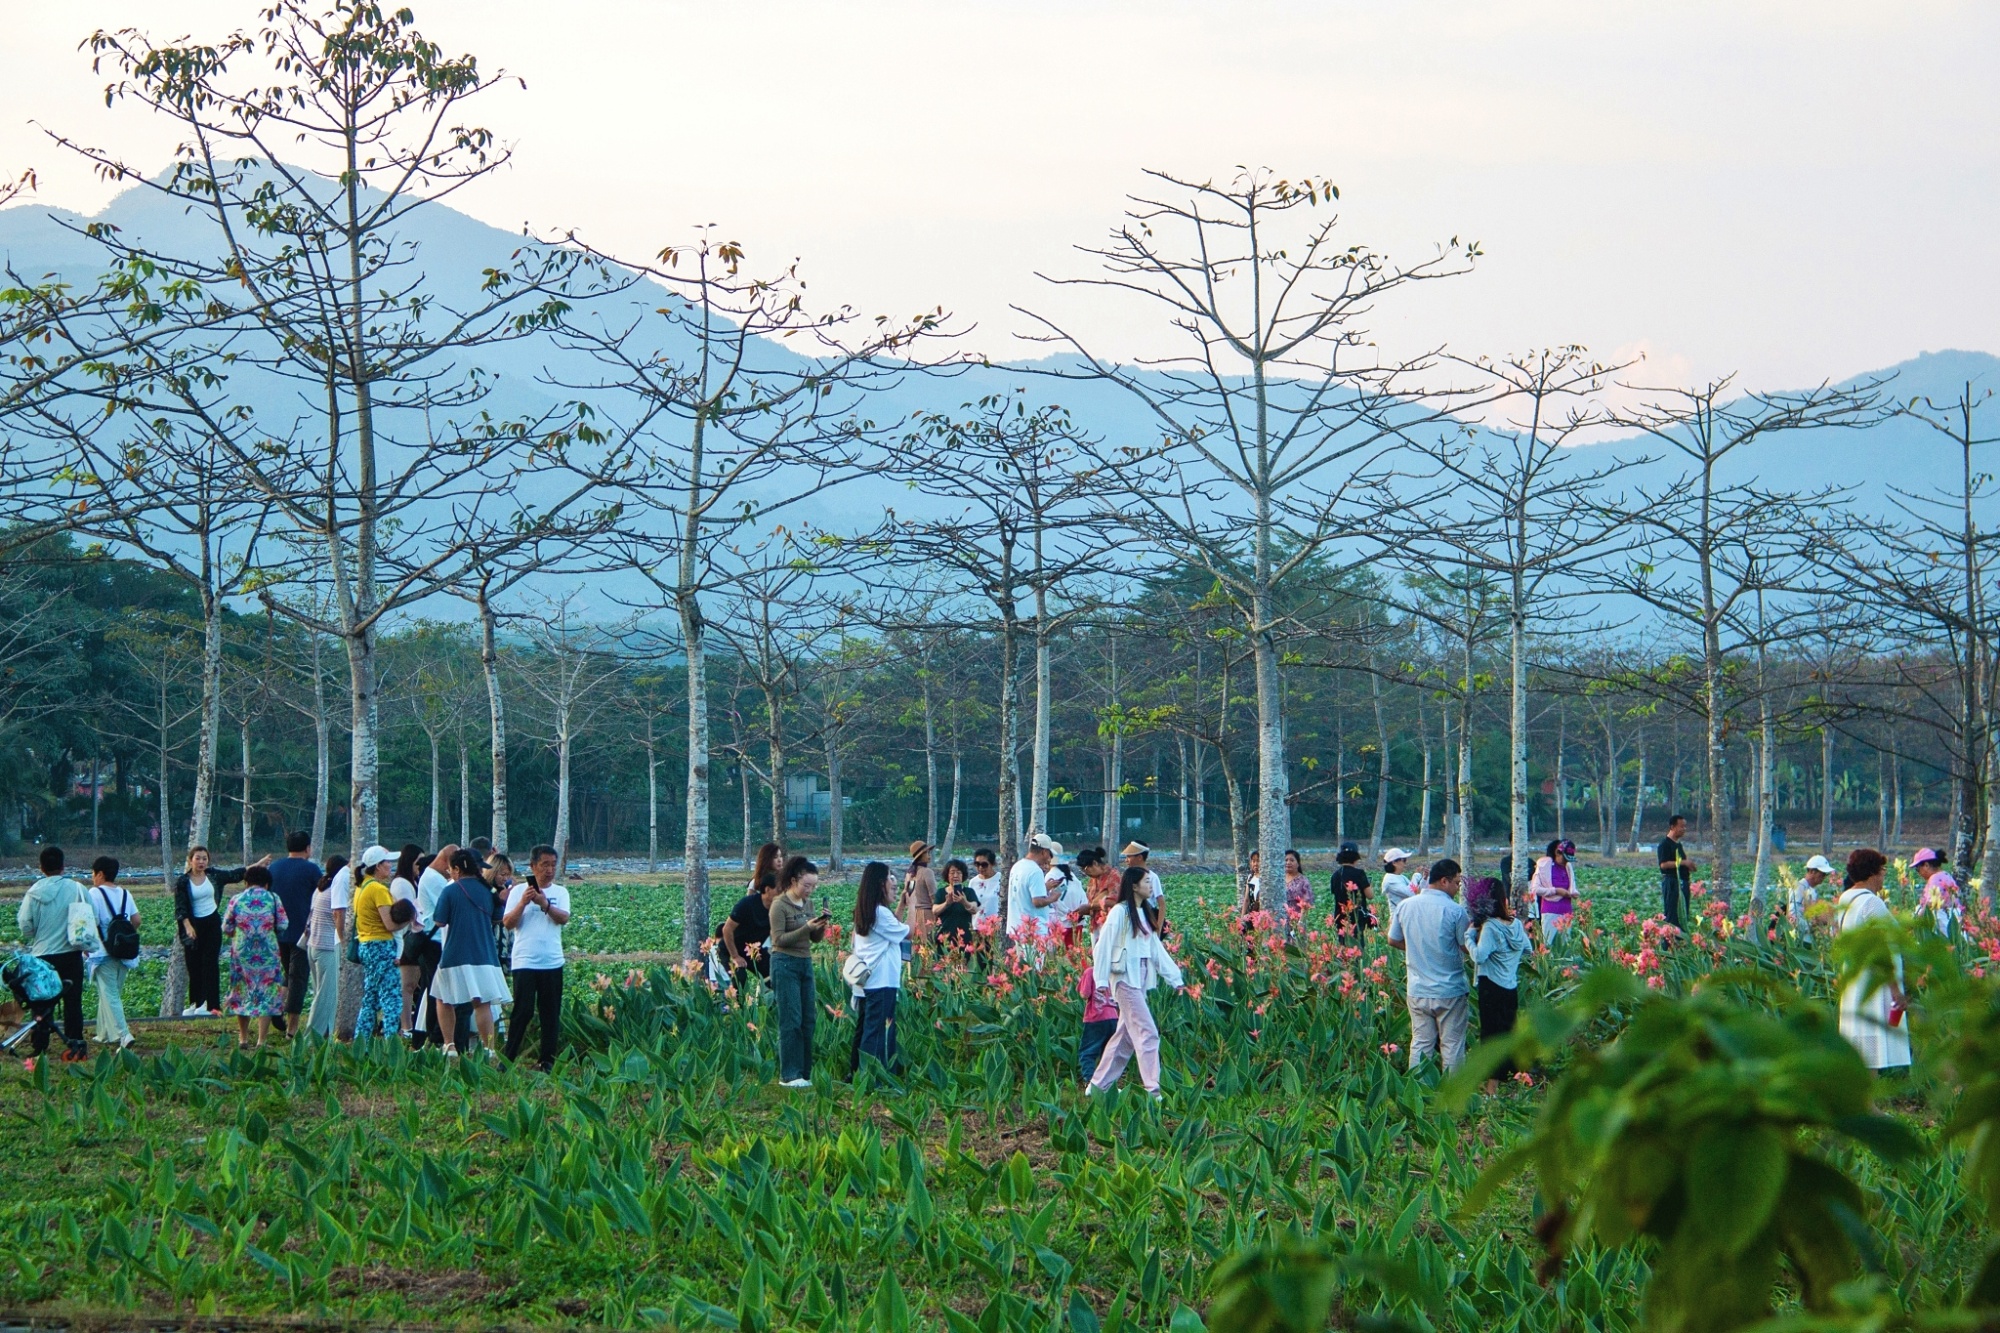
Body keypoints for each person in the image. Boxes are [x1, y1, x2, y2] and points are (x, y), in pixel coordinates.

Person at [1086, 865, 1186, 1098]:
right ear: (1134, 886)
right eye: (1147, 882)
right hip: (1124, 979)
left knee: (1126, 1036)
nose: (1151, 886)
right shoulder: (1120, 912)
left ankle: (1098, 1086)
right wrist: (1101, 981)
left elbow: (1155, 949)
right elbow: (1102, 947)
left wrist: (1175, 978)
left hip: (1139, 977)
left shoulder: (1143, 912)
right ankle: (1154, 1091)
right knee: (1148, 1032)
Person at [1388, 858, 1472, 1073]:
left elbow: (1393, 939)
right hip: (1450, 988)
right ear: (1444, 881)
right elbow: (1465, 946)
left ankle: (1418, 1092)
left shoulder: (1406, 905)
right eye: (1456, 883)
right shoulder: (1455, 911)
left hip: (1417, 988)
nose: (1457, 888)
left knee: (1421, 1043)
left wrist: (1417, 950)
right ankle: (1454, 1096)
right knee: (1452, 1044)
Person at [1835, 848, 1910, 1074]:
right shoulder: (1871, 903)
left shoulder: (1846, 898)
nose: (1884, 875)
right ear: (1872, 873)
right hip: (1873, 982)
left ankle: (1867, 1103)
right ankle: (1869, 1104)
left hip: (1855, 978)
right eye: (1882, 870)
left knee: (1862, 1040)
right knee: (1872, 1038)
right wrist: (1896, 990)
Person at [431, 848, 511, 1054]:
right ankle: (489, 1048)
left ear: (457, 869)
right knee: (482, 1003)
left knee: (443, 998)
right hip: (484, 953)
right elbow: (497, 917)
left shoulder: (450, 890)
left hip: (455, 954)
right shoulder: (487, 891)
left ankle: (449, 1045)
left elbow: (439, 921)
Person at [174, 846, 269, 1017]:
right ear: (190, 860)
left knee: (210, 964)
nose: (201, 861)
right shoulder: (183, 881)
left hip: (211, 923)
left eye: (204, 858)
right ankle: (195, 1002)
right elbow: (180, 907)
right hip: (193, 926)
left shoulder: (214, 876)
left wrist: (259, 865)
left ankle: (211, 1005)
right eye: (198, 858)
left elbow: (237, 874)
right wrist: (188, 927)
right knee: (193, 965)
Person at [502, 844, 572, 1072]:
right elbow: (508, 923)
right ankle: (508, 1059)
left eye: (553, 864)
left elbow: (563, 918)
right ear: (532, 866)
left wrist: (544, 904)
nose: (549, 870)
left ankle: (547, 1060)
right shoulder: (517, 892)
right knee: (522, 1011)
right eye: (544, 865)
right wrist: (523, 902)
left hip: (552, 960)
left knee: (550, 1012)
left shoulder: (560, 893)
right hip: (525, 960)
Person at [17, 846, 89, 1060]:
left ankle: (40, 1045)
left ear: (41, 868)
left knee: (41, 1003)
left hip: (42, 956)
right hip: (71, 954)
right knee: (73, 1002)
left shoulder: (33, 893)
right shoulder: (77, 889)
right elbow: (90, 914)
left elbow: (25, 926)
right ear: (63, 866)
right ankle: (74, 1042)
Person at [769, 855, 830, 1087]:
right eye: (807, 885)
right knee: (791, 1019)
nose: (810, 890)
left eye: (814, 886)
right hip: (784, 963)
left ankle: (804, 1073)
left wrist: (820, 926)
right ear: (794, 881)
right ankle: (789, 1074)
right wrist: (806, 927)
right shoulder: (779, 905)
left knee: (808, 1019)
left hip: (805, 962)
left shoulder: (809, 905)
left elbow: (814, 939)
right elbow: (779, 939)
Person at [1467, 876, 1529, 1087]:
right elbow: (1528, 950)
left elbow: (1479, 956)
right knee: (1508, 1032)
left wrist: (1469, 937)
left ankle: (1491, 1090)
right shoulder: (1517, 925)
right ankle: (1516, 1079)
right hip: (1510, 986)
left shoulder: (1491, 927)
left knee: (1491, 1035)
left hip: (1491, 987)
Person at [850, 860, 909, 1077]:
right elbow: (908, 932)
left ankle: (865, 1073)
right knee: (878, 1031)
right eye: (889, 877)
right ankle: (873, 1077)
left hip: (870, 981)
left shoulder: (868, 911)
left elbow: (894, 928)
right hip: (882, 980)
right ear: (879, 883)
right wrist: (913, 904)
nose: (893, 881)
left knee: (870, 1028)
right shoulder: (880, 913)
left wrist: (901, 905)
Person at [222, 864, 289, 1049]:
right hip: (268, 954)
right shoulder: (274, 899)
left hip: (241, 953)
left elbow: (226, 928)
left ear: (246, 882)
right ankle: (261, 1040)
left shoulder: (236, 899)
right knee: (266, 993)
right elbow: (283, 925)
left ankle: (243, 1039)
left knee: (241, 991)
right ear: (267, 883)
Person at [266, 831, 321, 1035]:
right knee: (298, 978)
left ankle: (277, 1007)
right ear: (307, 848)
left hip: (278, 931)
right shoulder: (311, 870)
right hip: (302, 932)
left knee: (286, 974)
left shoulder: (274, 868)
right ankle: (292, 1028)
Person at [86, 856, 139, 1049]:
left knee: (109, 995)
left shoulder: (94, 893)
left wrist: (86, 946)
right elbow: (137, 920)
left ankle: (124, 1034)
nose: (92, 878)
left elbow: (89, 920)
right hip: (125, 951)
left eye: (93, 874)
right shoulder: (125, 893)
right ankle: (104, 1033)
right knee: (110, 993)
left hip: (103, 951)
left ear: (100, 874)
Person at [349, 847, 400, 1041]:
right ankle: (391, 1042)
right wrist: (409, 918)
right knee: (391, 997)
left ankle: (361, 1041)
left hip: (366, 945)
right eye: (387, 862)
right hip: (381, 946)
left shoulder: (362, 887)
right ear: (378, 866)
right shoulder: (378, 889)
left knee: (370, 997)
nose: (390, 866)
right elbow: (389, 924)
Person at [304, 857, 345, 1039]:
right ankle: (312, 1037)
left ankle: (323, 1032)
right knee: (326, 997)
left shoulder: (320, 889)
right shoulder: (334, 892)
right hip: (327, 947)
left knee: (319, 993)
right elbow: (338, 915)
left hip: (313, 945)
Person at [2, 948, 66, 1062]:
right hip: (42, 991)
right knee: (41, 1020)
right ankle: (38, 1047)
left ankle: (40, 1049)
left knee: (42, 1022)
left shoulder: (26, 970)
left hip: (40, 996)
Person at [722, 872, 779, 991]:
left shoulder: (778, 908)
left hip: (753, 949)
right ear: (768, 889)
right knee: (739, 978)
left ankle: (770, 1007)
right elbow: (727, 929)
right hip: (730, 948)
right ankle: (738, 1007)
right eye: (779, 889)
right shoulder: (747, 904)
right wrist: (735, 956)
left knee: (774, 975)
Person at [1005, 834, 1061, 946]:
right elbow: (1037, 901)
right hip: (1033, 931)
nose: (1049, 859)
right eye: (1049, 855)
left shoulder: (1017, 866)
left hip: (1017, 927)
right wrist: (1052, 898)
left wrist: (1044, 887)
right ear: (1044, 852)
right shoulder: (1035, 871)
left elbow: (1024, 892)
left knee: (1022, 962)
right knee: (1033, 962)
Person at [1530, 840, 1579, 947]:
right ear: (1557, 852)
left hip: (1566, 910)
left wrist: (1573, 893)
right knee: (1549, 944)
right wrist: (1555, 891)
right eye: (1564, 858)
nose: (1566, 862)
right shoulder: (1544, 865)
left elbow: (1572, 885)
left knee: (1565, 946)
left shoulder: (1568, 867)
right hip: (1550, 910)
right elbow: (1535, 889)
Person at [1911, 848, 1964, 939]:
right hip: (1955, 918)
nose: (1918, 873)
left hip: (1943, 920)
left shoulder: (1935, 879)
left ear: (1926, 865)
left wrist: (1916, 920)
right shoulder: (1946, 875)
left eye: (1918, 869)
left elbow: (1930, 904)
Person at [1328, 843, 1372, 937]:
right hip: (1357, 916)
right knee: (1357, 946)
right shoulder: (1359, 873)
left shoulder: (1335, 875)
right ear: (1355, 857)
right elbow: (1370, 895)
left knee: (1343, 946)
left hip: (1340, 917)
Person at [933, 858, 978, 951]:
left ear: (963, 875)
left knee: (962, 965)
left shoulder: (969, 892)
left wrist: (964, 901)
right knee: (945, 964)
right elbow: (934, 910)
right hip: (944, 938)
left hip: (964, 938)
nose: (955, 875)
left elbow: (974, 909)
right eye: (952, 873)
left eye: (959, 873)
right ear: (947, 875)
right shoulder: (941, 892)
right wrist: (946, 903)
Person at [1657, 815, 1694, 928]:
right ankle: (1669, 942)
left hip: (1682, 883)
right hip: (1672, 883)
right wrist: (1683, 863)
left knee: (1683, 915)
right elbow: (1663, 864)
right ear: (1672, 827)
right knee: (1673, 916)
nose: (1684, 829)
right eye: (1681, 826)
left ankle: (1681, 942)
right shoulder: (1664, 844)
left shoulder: (1678, 845)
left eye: (1685, 826)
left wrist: (1689, 866)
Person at [900, 842, 938, 951]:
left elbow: (908, 895)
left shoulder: (910, 874)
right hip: (927, 915)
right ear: (920, 856)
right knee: (928, 950)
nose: (929, 855)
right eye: (926, 853)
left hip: (913, 915)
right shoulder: (927, 872)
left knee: (916, 950)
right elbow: (933, 896)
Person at [1789, 854, 1835, 935]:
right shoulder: (1799, 888)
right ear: (1812, 872)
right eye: (1823, 874)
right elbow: (1793, 916)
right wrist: (1812, 925)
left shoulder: (1812, 890)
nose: (1824, 877)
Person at [1079, 849, 1120, 929]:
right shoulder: (1092, 879)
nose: (1085, 872)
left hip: (1110, 924)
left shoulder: (1113, 876)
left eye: (1086, 868)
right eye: (1082, 870)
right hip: (1095, 924)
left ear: (1095, 863)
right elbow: (1093, 904)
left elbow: (1115, 902)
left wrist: (1089, 906)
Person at [967, 849, 1004, 932]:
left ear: (992, 864)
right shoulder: (973, 882)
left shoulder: (1001, 880)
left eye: (984, 865)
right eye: (977, 864)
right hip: (977, 927)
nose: (980, 867)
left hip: (995, 927)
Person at [1380, 849, 1417, 913]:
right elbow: (1411, 893)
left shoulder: (1401, 876)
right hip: (1398, 918)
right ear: (1394, 862)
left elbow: (1417, 891)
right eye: (1404, 860)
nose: (1405, 864)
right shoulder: (1390, 880)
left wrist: (1424, 879)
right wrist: (1416, 876)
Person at [1282, 849, 1314, 919]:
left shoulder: (1303, 881)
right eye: (1286, 860)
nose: (1288, 862)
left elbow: (1307, 902)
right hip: (1280, 920)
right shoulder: (1279, 879)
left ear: (1298, 864)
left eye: (1292, 860)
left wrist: (1301, 921)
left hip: (1296, 920)